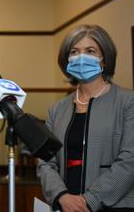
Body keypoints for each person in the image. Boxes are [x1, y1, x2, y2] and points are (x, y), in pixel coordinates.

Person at [38, 24, 134, 212]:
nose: (81, 57)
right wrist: (62, 197)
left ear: (104, 59)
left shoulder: (128, 102)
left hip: (116, 206)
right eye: (74, 51)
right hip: (65, 206)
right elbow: (46, 162)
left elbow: (130, 159)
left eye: (90, 51)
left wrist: (89, 200)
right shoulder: (56, 110)